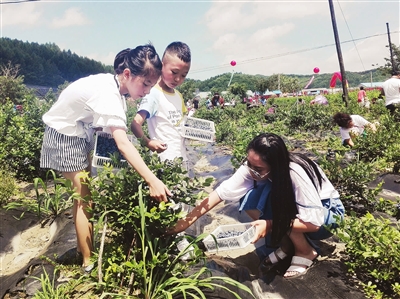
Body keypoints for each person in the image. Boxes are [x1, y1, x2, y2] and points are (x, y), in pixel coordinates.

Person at [40, 44, 171, 272]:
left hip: (79, 132)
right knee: (84, 198)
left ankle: (82, 250)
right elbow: (122, 143)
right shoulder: (108, 93)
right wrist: (152, 180)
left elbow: (111, 135)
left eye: (152, 85)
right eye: (146, 84)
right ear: (128, 74)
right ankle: (89, 263)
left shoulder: (115, 87)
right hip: (64, 136)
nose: (148, 91)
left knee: (82, 195)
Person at [169, 133, 345, 278]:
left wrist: (270, 224)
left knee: (281, 206)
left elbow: (314, 223)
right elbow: (220, 193)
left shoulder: (294, 173)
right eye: (249, 163)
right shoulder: (251, 168)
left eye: (258, 169)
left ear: (276, 166)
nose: (251, 171)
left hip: (327, 216)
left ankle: (305, 251)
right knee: (248, 200)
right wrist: (185, 222)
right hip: (298, 215)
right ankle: (287, 245)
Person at [131, 42, 191, 167]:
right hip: (163, 161)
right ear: (162, 66)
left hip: (181, 159)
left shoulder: (178, 96)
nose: (178, 79)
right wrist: (147, 142)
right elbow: (135, 124)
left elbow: (183, 125)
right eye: (174, 72)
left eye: (183, 75)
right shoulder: (154, 94)